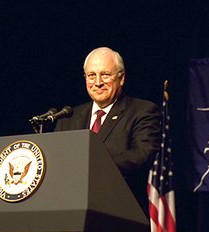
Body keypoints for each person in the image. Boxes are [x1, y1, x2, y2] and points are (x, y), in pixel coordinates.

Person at [55, 47, 161, 217]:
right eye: (91, 75)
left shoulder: (143, 111)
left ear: (121, 78)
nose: (97, 82)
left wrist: (90, 165)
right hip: (70, 214)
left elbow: (141, 155)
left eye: (105, 75)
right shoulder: (68, 117)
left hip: (119, 216)